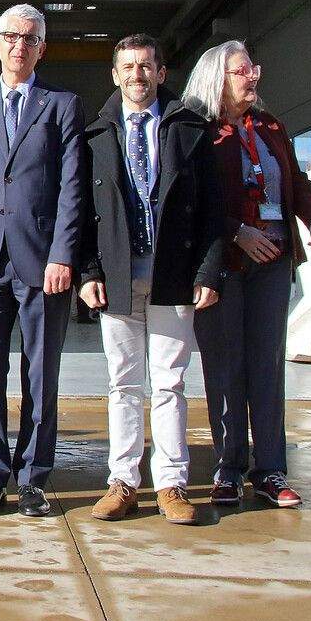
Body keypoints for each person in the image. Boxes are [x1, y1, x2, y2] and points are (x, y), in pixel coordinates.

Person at [77, 34, 224, 525]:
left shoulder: (190, 129)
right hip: (117, 277)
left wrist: (207, 270)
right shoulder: (95, 133)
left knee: (169, 383)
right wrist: (88, 271)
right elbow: (80, 210)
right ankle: (122, 482)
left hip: (173, 275)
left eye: (146, 67)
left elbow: (212, 208)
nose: (136, 75)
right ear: (115, 76)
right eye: (128, 67)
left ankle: (172, 486)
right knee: (122, 384)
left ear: (161, 74)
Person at [0, 4, 86, 518]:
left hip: (42, 263)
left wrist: (63, 254)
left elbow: (73, 188)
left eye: (30, 39)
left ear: (42, 48)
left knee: (41, 373)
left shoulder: (62, 106)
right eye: (11, 36)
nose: (19, 46)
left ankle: (33, 478)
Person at [182, 40, 311, 508]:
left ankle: (271, 469)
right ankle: (228, 469)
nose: (252, 78)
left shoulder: (269, 127)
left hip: (272, 261)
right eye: (242, 71)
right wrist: (235, 232)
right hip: (222, 264)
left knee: (266, 366)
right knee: (225, 369)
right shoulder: (198, 131)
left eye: (253, 69)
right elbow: (191, 201)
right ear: (216, 78)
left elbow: (294, 181)